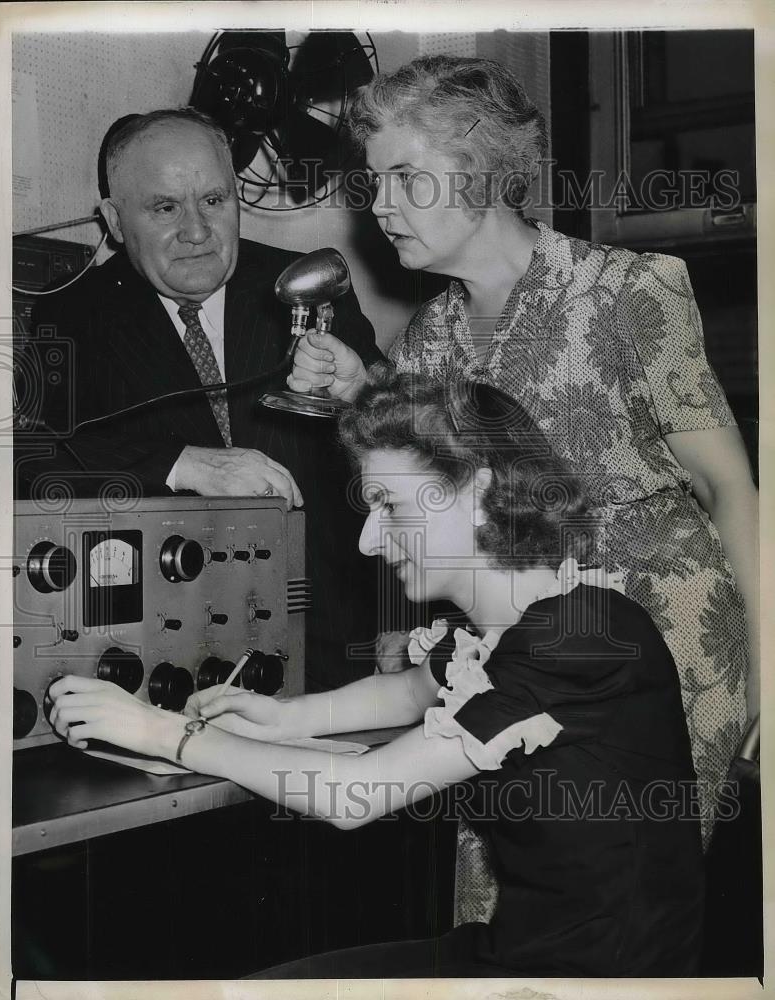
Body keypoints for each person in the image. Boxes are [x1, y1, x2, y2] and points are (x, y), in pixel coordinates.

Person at [48, 369, 705, 978]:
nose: (368, 540)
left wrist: (164, 733)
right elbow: (407, 691)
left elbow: (353, 795)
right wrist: (286, 716)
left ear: (475, 492)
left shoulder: (582, 636)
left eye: (390, 505)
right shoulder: (506, 635)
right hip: (521, 957)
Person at [285, 57, 759, 863]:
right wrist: (356, 388)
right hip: (512, 656)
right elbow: (426, 504)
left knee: (613, 921)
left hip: (668, 652)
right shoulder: (426, 339)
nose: (381, 206)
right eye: (375, 181)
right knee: (506, 903)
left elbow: (730, 487)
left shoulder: (628, 291)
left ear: (480, 169)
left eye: (405, 176)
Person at [16, 107, 384, 690]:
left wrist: (364, 390)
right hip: (172, 663)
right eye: (165, 208)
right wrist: (182, 464)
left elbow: (402, 444)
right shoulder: (73, 316)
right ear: (114, 220)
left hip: (336, 651)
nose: (196, 230)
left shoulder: (307, 284)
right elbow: (32, 460)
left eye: (214, 201)